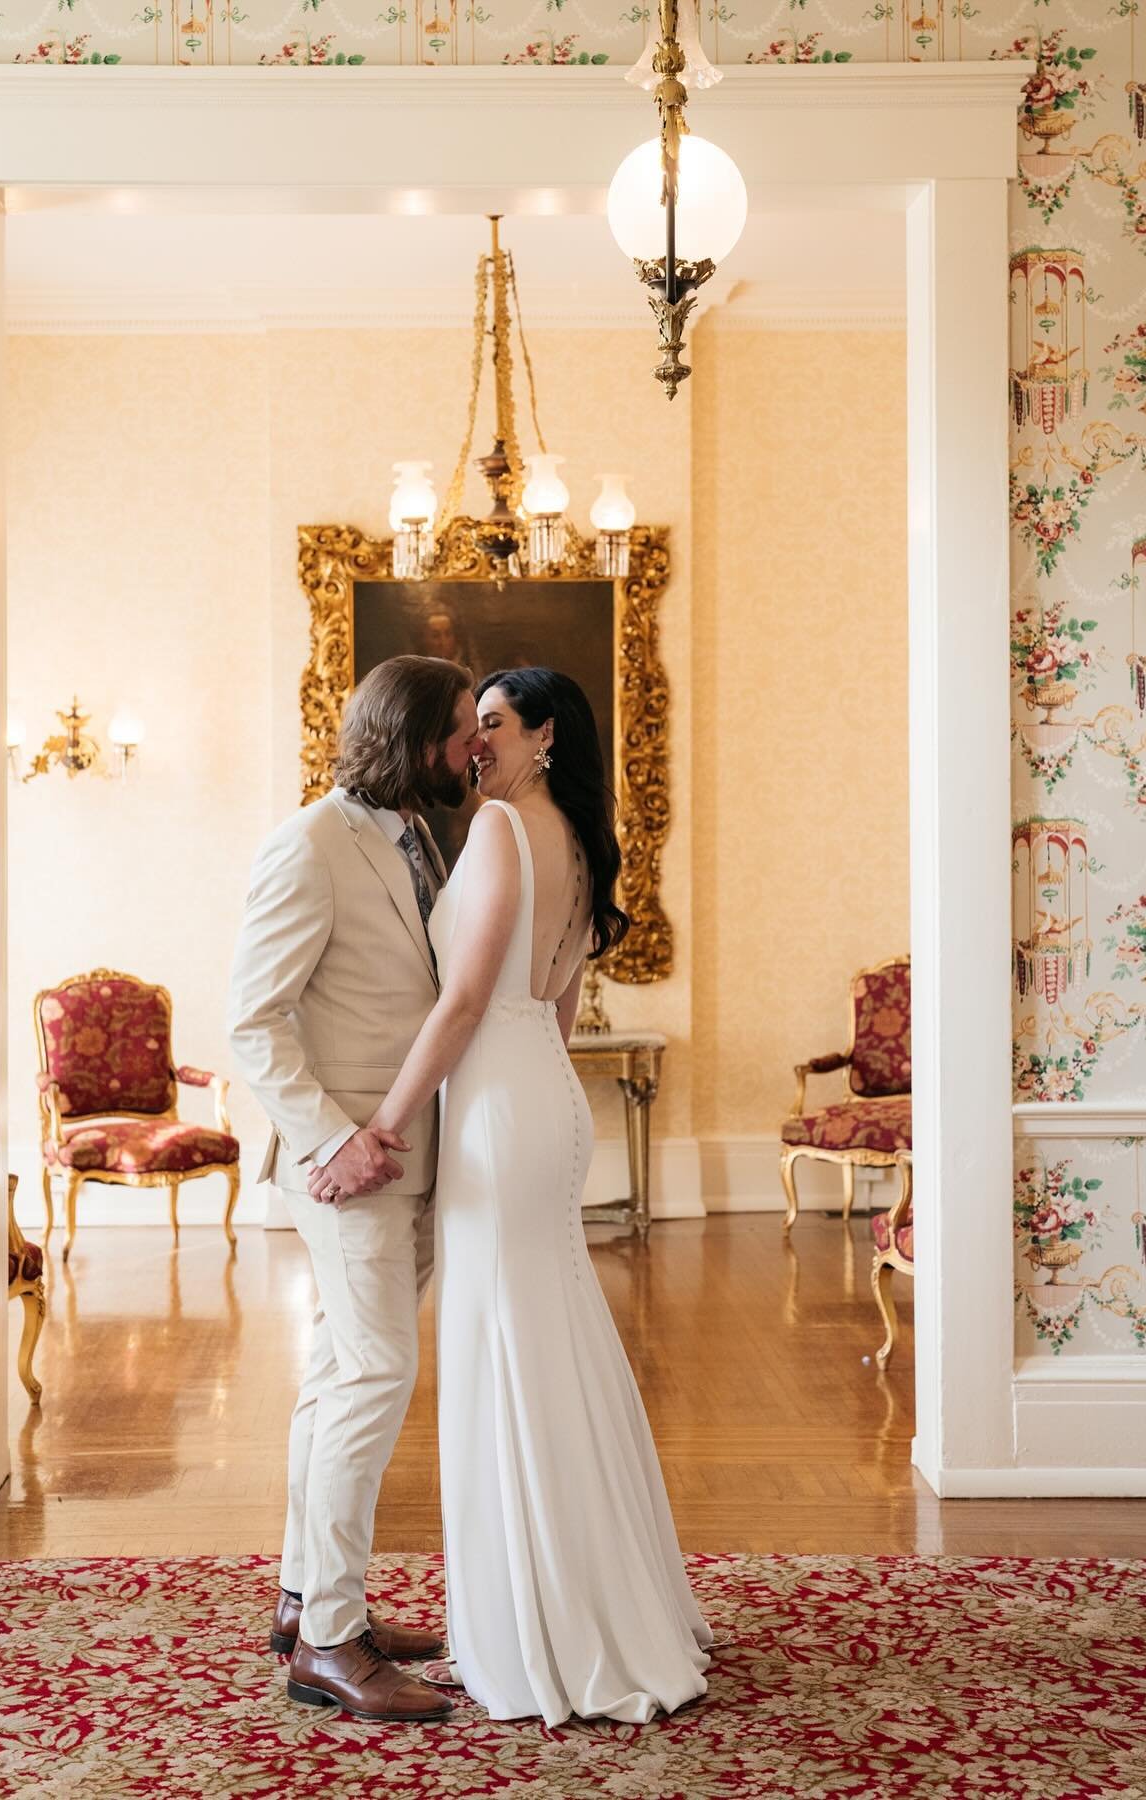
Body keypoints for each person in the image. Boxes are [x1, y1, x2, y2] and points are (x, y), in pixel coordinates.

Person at [308, 667, 712, 1725]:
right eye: (468, 726)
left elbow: (464, 1000)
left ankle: (540, 1631)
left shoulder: (498, 832)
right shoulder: (577, 840)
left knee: (507, 1356)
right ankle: (596, 1599)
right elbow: (557, 1003)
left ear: (540, 735)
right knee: (551, 1344)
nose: (475, 742)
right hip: (542, 1095)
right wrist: (525, 1087)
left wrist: (386, 1123)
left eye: (493, 723)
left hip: (496, 1111)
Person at [226, 654, 484, 1725]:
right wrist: (337, 1142)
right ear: (411, 734)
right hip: (352, 1167)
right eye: (463, 727)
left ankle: (304, 1600)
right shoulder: (309, 844)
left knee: (341, 1375)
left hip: (414, 1156)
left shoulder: (419, 834)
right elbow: (254, 1019)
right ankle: (331, 1642)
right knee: (375, 1377)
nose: (476, 743)